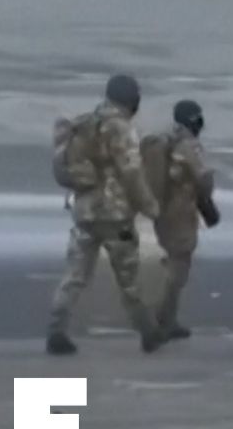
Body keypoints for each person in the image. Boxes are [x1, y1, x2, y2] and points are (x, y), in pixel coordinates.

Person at [47, 74, 163, 355]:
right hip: (116, 217)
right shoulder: (122, 129)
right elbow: (132, 174)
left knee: (74, 276)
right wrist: (150, 207)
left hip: (85, 213)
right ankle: (148, 332)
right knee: (129, 280)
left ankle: (56, 330)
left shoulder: (85, 123)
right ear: (131, 99)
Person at [149, 99, 219, 340]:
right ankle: (164, 318)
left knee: (175, 262)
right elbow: (203, 180)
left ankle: (167, 318)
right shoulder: (189, 146)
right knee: (179, 269)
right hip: (180, 215)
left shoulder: (167, 141)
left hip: (163, 212)